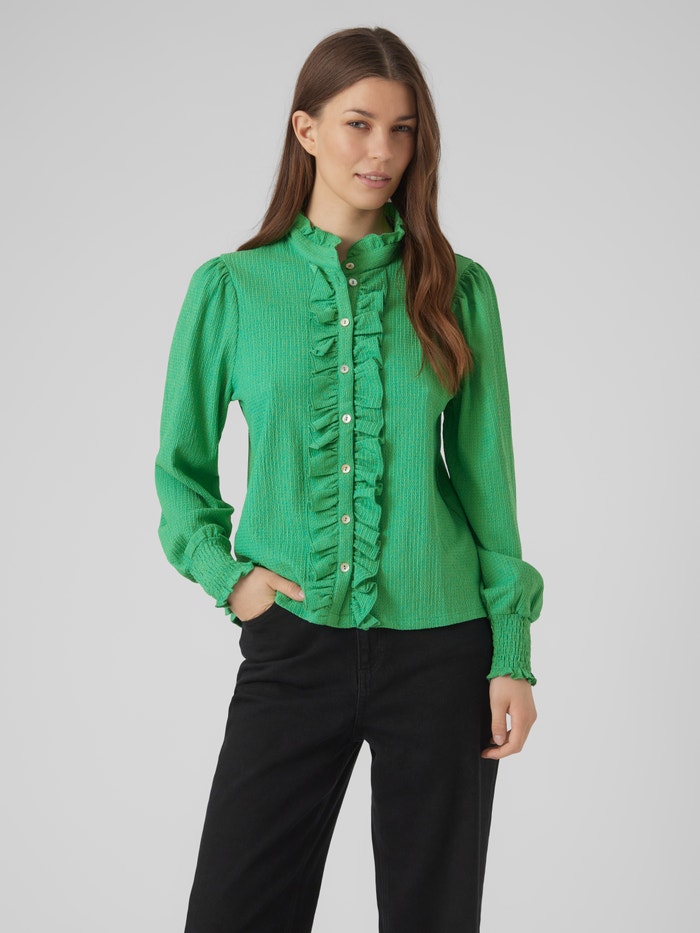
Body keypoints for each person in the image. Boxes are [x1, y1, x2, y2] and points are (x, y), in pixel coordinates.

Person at [154, 24, 544, 933]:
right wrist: (232, 579)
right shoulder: (232, 288)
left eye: (402, 129)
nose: (382, 151)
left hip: (444, 646)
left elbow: (487, 483)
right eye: (359, 123)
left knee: (432, 915)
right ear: (307, 130)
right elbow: (181, 471)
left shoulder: (459, 288)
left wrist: (511, 653)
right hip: (293, 644)